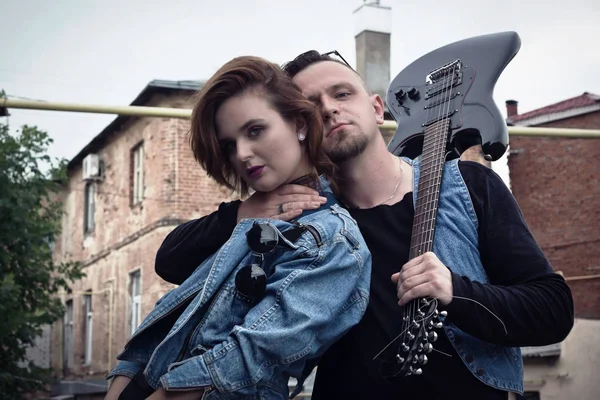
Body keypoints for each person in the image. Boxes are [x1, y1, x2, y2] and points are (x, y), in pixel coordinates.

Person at [153, 51, 575, 399]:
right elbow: (172, 261)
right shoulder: (301, 215)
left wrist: (456, 291)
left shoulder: (467, 186)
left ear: (376, 107)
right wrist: (244, 213)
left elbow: (553, 311)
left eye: (342, 93)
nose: (330, 108)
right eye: (311, 102)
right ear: (299, 126)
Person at [104, 56, 372, 400]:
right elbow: (167, 311)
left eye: (255, 130)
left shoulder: (332, 240)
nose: (242, 154)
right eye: (229, 144)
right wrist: (241, 214)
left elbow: (246, 359)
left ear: (299, 124)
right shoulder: (247, 223)